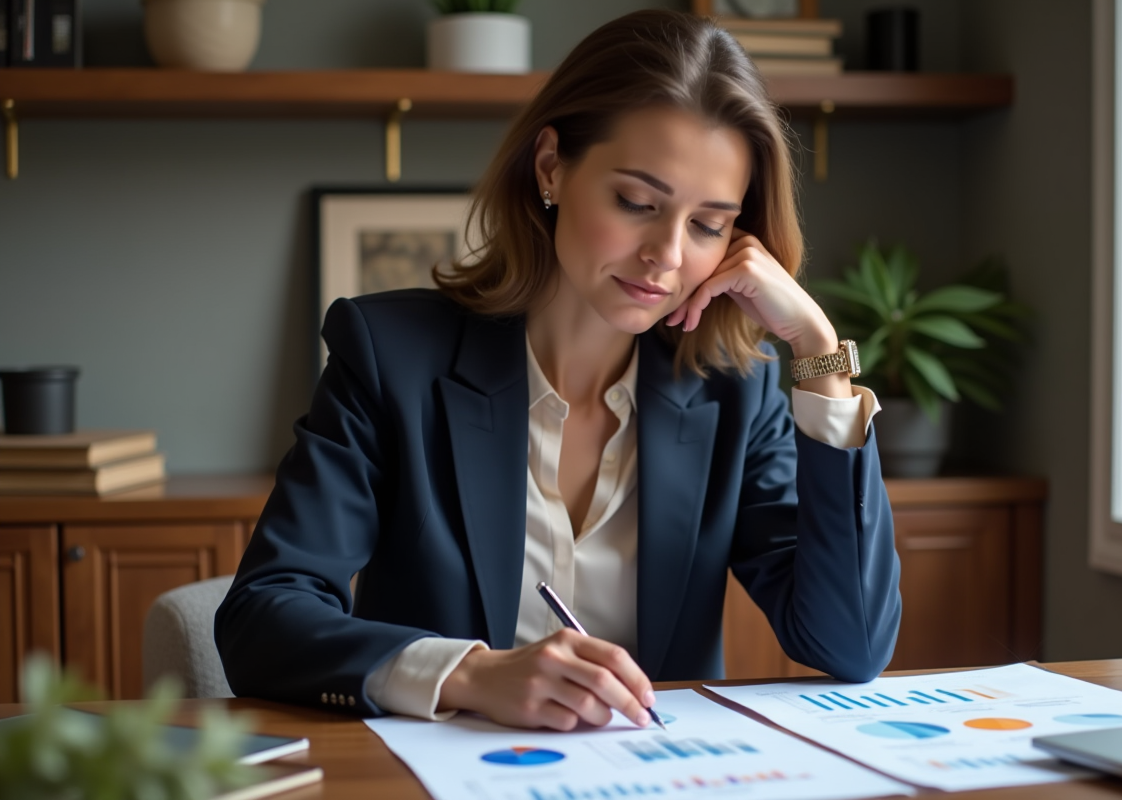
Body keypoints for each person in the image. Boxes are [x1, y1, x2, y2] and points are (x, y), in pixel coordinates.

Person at [215, 8, 901, 731]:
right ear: (551, 166)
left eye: (708, 224)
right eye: (636, 202)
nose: (667, 255)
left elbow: (850, 644)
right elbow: (263, 615)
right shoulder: (392, 356)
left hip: (653, 774)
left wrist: (818, 352)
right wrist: (470, 675)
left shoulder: (736, 391)